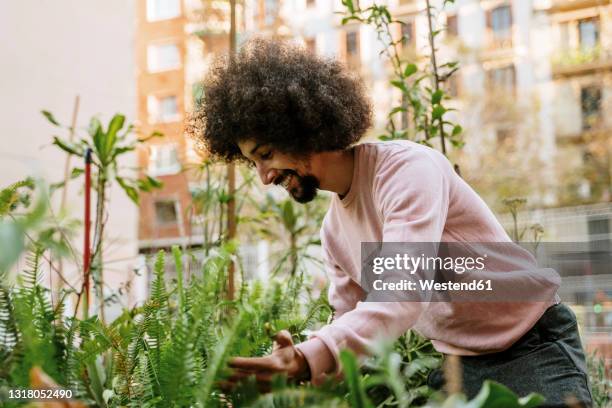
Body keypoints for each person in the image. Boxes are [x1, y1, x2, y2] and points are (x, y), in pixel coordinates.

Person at [192, 38, 592, 406]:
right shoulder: (334, 232)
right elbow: (351, 327)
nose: (264, 177)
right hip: (456, 361)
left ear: (302, 128)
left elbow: (401, 292)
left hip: (532, 343)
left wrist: (305, 358)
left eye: (266, 154)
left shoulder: (405, 171)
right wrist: (305, 371)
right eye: (253, 163)